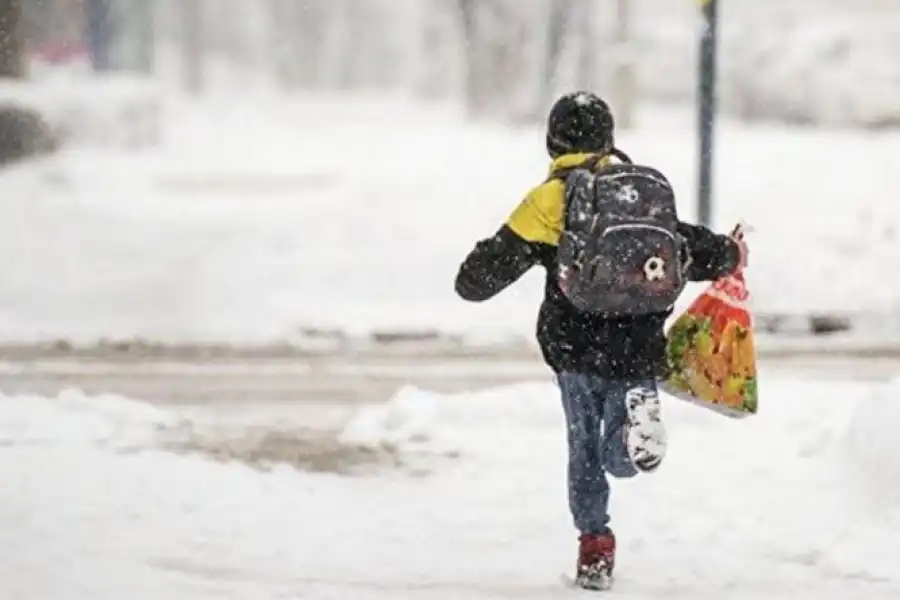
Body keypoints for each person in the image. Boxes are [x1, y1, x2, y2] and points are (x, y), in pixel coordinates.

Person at [453, 91, 748, 590]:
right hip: (638, 343)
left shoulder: (551, 198)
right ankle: (635, 436)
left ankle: (595, 547)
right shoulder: (639, 192)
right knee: (621, 452)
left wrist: (481, 268)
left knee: (584, 450)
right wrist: (730, 252)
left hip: (577, 345)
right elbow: (689, 246)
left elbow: (478, 280)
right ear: (610, 138)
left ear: (554, 141)